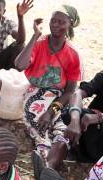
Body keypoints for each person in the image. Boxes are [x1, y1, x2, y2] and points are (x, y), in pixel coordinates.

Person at [14, 5, 81, 179]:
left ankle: (46, 158)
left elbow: (70, 91)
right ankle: (48, 157)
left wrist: (52, 111)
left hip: (60, 96)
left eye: (62, 22)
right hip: (36, 90)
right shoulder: (39, 43)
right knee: (36, 114)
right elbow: (19, 65)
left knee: (59, 125)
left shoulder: (73, 54)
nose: (56, 25)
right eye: (53, 20)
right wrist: (35, 36)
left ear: (70, 24)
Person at [64, 71, 103, 163]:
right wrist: (75, 119)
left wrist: (98, 118)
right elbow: (78, 94)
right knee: (69, 113)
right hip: (89, 128)